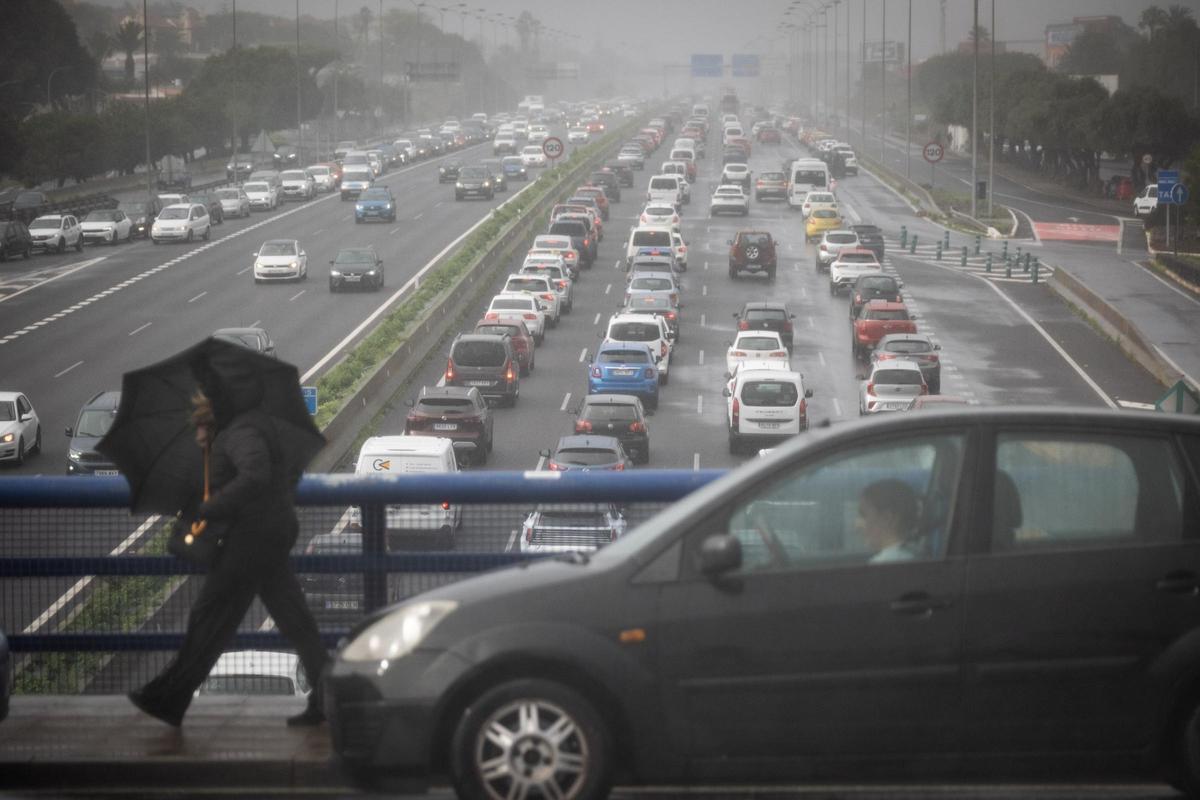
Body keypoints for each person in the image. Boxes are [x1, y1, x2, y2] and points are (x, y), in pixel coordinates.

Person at [128, 369, 329, 728]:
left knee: (209, 615)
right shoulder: (248, 425)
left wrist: (211, 506)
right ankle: (329, 699)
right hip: (269, 533)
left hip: (252, 539)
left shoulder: (242, 431)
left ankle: (170, 697)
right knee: (293, 620)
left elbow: (254, 474)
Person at [856, 479, 923, 563]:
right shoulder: (915, 553)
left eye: (864, 515)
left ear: (886, 518)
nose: (857, 525)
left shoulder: (883, 563)